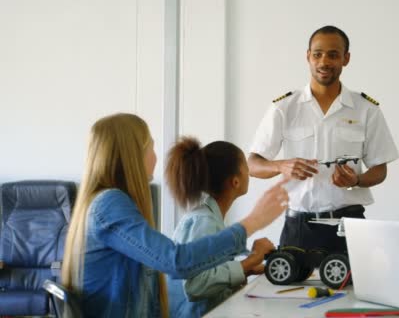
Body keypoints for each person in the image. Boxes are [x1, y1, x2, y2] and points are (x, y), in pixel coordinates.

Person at [61, 113, 289, 318]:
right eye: (150, 146)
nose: (155, 156)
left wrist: (245, 267)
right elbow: (176, 261)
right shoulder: (110, 204)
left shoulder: (104, 203)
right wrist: (253, 222)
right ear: (133, 155)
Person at [248, 25, 399, 252]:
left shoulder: (367, 109)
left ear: (345, 59)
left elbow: (380, 169)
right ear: (308, 57)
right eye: (317, 54)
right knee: (292, 285)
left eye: (333, 55)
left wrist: (356, 180)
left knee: (355, 288)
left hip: (350, 225)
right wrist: (281, 165)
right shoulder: (283, 107)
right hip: (299, 226)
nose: (324, 62)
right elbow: (252, 164)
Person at [165, 137, 274, 317]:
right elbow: (196, 285)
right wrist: (250, 261)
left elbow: (211, 274)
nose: (250, 173)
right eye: (246, 168)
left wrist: (247, 269)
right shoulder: (203, 221)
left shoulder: (211, 218)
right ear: (235, 181)